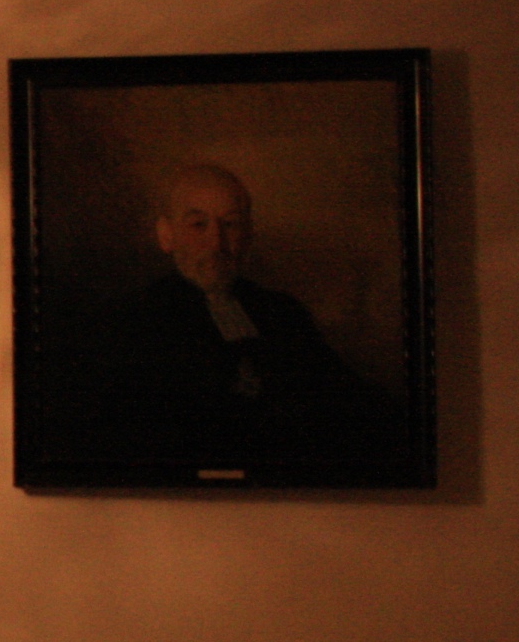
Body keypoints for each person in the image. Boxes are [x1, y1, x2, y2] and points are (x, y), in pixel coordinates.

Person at [90, 163, 399, 466]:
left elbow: (345, 401)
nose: (217, 243)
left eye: (230, 224)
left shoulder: (282, 313)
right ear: (167, 234)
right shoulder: (134, 320)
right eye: (198, 225)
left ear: (248, 233)